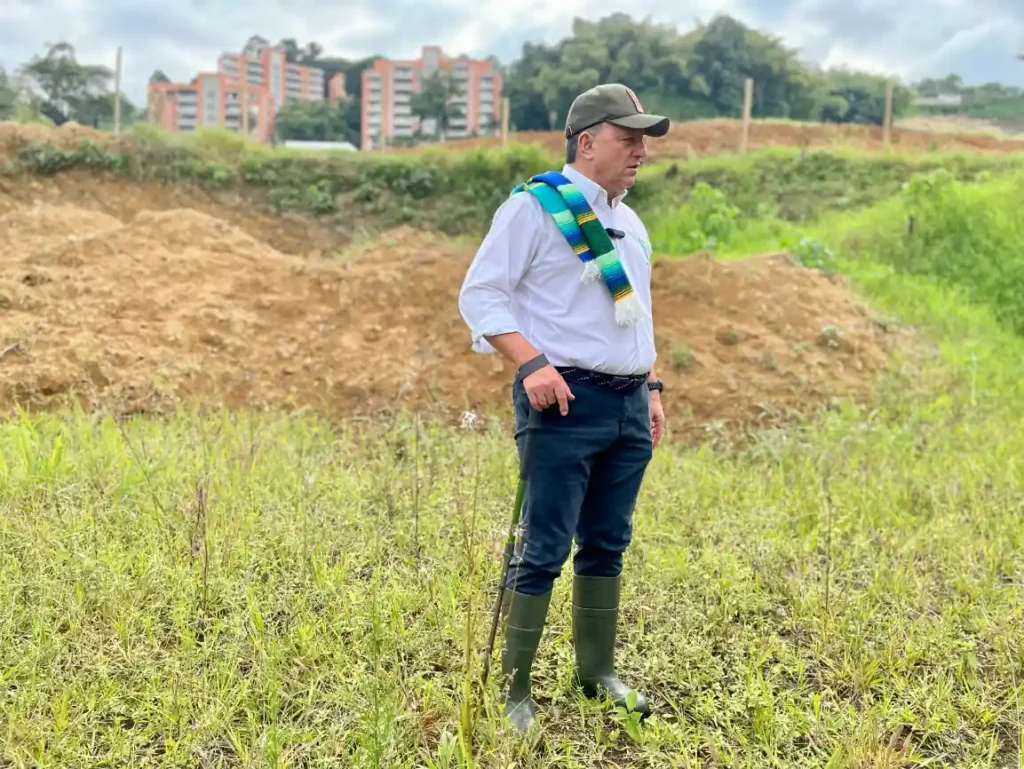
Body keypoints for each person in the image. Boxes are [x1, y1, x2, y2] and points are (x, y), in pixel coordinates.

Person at [458, 83, 669, 733]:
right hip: (564, 402)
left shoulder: (631, 223)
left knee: (607, 542)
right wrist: (531, 362)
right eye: (627, 139)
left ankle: (596, 673)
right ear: (587, 142)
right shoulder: (534, 209)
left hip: (628, 405)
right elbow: (481, 295)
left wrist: (652, 387)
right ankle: (513, 690)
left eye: (642, 142)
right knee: (544, 545)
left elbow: (637, 316)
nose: (640, 152)